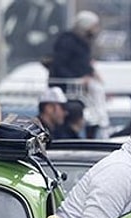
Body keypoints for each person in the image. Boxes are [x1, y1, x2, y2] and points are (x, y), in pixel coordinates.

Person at [48, 10, 109, 138]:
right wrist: (78, 79)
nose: (95, 30)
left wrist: (92, 72)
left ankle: (102, 124)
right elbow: (59, 66)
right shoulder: (67, 41)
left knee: (97, 92)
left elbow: (83, 62)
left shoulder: (83, 42)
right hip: (70, 86)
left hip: (82, 85)